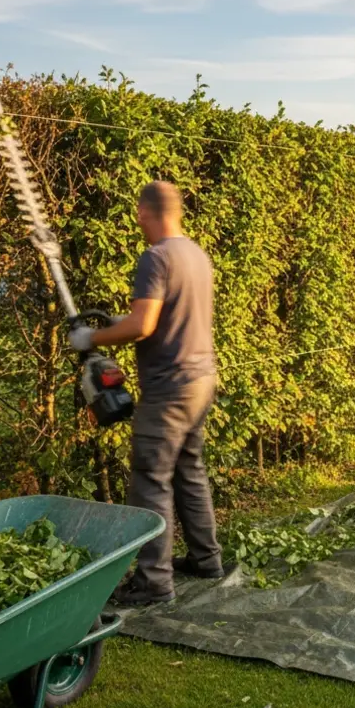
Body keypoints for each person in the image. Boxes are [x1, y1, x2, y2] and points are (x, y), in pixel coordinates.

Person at [68, 181, 222, 605]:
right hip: (200, 380)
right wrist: (123, 320)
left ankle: (154, 583)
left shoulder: (155, 257)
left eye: (138, 213)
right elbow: (161, 315)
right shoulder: (194, 254)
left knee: (150, 479)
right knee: (188, 468)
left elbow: (144, 326)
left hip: (170, 387)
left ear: (144, 212)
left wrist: (91, 338)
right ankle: (207, 558)